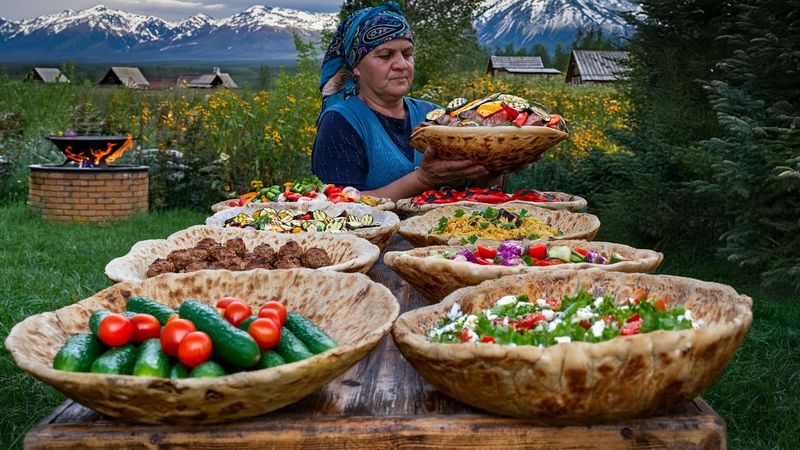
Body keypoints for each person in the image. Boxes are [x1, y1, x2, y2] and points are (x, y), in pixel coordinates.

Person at [312, 2, 499, 201]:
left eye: (407, 54)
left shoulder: (436, 117)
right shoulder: (340, 122)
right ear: (356, 66)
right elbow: (337, 205)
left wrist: (496, 166)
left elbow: (475, 193)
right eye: (385, 55)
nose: (402, 65)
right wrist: (423, 179)